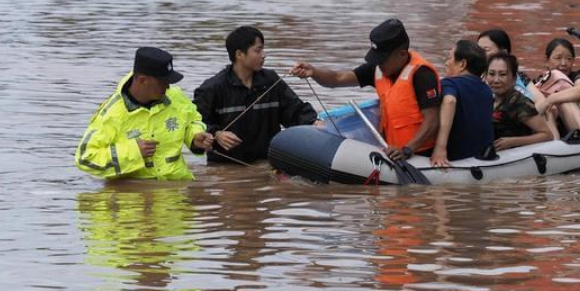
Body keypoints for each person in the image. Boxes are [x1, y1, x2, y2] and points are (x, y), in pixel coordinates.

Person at [291, 19, 441, 161]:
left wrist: (407, 150)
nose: (378, 64)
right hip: (392, 151)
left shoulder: (422, 75)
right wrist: (314, 72)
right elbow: (338, 78)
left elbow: (432, 121)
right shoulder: (377, 68)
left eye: (382, 59)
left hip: (419, 155)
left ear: (401, 54)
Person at [75, 47, 213, 181]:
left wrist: (195, 137)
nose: (167, 87)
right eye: (162, 82)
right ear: (142, 80)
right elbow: (85, 158)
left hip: (178, 188)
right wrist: (134, 151)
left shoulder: (175, 96)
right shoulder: (112, 113)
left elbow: (193, 120)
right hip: (132, 196)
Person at [194, 26, 318, 164]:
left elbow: (295, 112)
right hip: (226, 167)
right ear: (239, 54)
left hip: (268, 163)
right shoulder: (212, 88)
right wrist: (217, 134)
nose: (264, 55)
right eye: (258, 50)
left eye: (263, 50)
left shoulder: (271, 81)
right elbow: (194, 123)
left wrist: (314, 122)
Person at [430, 40, 493, 167]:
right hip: (480, 157)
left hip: (454, 158)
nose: (446, 63)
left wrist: (440, 147)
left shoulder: (450, 83)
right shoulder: (487, 89)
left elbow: (450, 101)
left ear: (463, 64)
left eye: (449, 58)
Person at [486, 53, 553, 150]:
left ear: (514, 79)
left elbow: (547, 135)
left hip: (516, 157)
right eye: (491, 74)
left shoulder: (519, 102)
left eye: (502, 74)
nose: (496, 80)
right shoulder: (488, 100)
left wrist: (512, 142)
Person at [532, 38, 580, 137]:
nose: (564, 63)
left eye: (568, 59)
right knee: (548, 109)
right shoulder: (538, 83)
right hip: (553, 128)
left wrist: (552, 99)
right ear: (546, 61)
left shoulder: (576, 76)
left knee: (565, 102)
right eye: (558, 58)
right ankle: (553, 144)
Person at [477, 28, 535, 100]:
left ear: (503, 52)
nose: (479, 54)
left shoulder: (518, 76)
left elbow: (537, 100)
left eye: (486, 50)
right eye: (478, 49)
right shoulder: (476, 75)